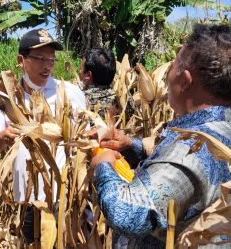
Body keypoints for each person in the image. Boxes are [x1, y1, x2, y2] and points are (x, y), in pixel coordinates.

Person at [90, 24, 231, 248]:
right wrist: (129, 145)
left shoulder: (192, 147)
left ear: (184, 81)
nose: (165, 77)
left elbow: (128, 214)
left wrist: (103, 167)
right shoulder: (221, 127)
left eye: (172, 68)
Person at [0, 29, 87, 243]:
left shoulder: (70, 93)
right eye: (40, 58)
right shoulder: (8, 98)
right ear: (21, 60)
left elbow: (85, 135)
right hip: (27, 197)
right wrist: (5, 136)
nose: (48, 65)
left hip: (64, 197)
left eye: (51, 59)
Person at [79, 48, 116, 119]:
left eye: (80, 69)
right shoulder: (123, 100)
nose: (79, 72)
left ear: (88, 75)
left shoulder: (79, 100)